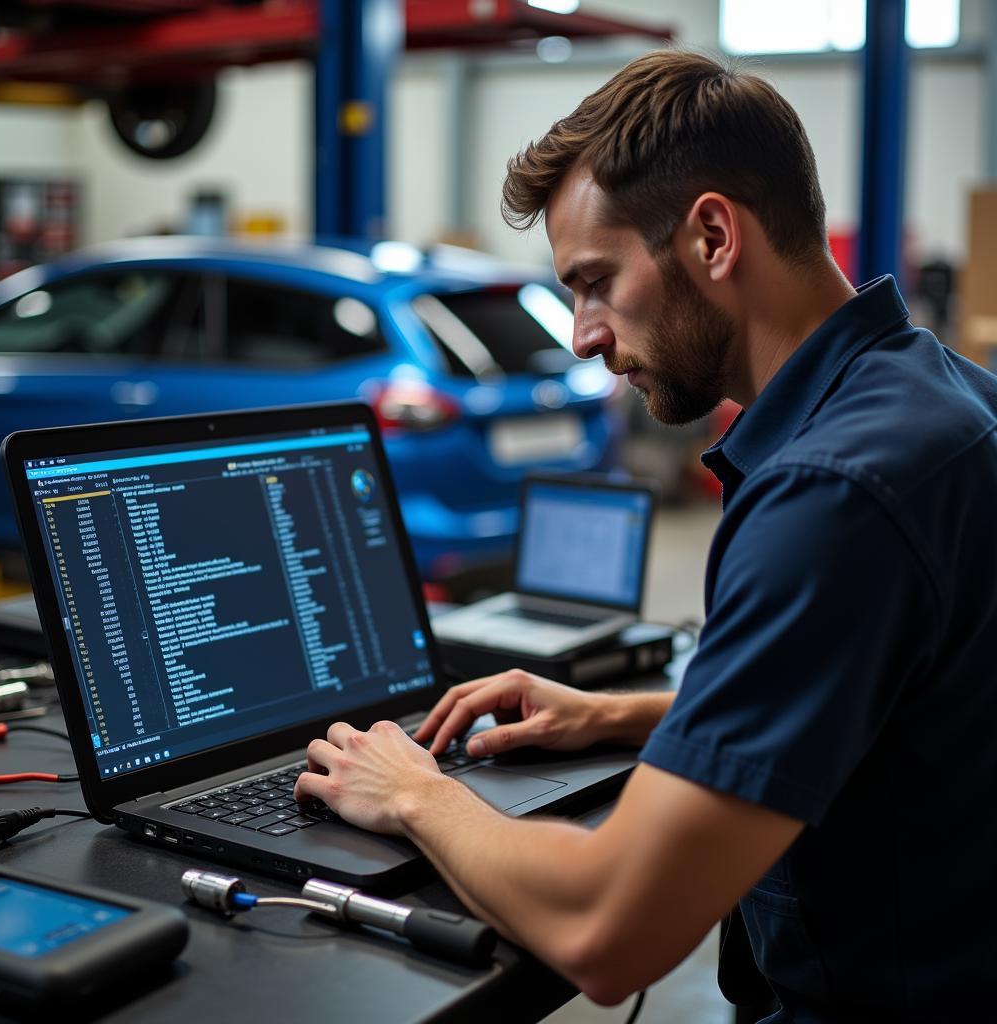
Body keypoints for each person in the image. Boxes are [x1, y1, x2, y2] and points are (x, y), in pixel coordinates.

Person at [295, 50, 997, 1020]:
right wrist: (621, 713)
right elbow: (896, 704)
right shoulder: (946, 399)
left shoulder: (828, 497)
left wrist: (414, 789)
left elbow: (610, 930)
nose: (581, 334)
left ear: (712, 235)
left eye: (595, 281)